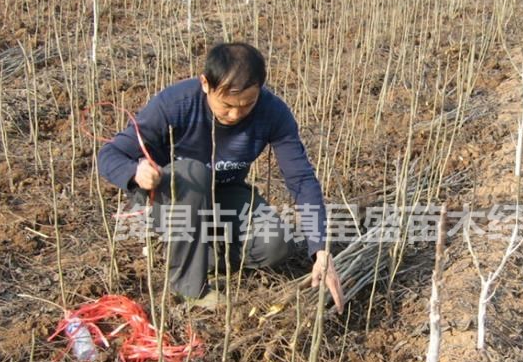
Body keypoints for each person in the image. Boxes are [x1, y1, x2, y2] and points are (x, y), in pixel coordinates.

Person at [97, 42, 345, 310]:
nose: (236, 114)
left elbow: (301, 179)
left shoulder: (273, 112)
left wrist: (321, 249)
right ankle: (188, 287)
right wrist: (136, 172)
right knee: (193, 172)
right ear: (205, 83)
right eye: (226, 105)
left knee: (277, 244)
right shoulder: (175, 104)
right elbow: (109, 155)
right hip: (169, 199)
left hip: (223, 194)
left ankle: (200, 252)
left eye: (247, 104)